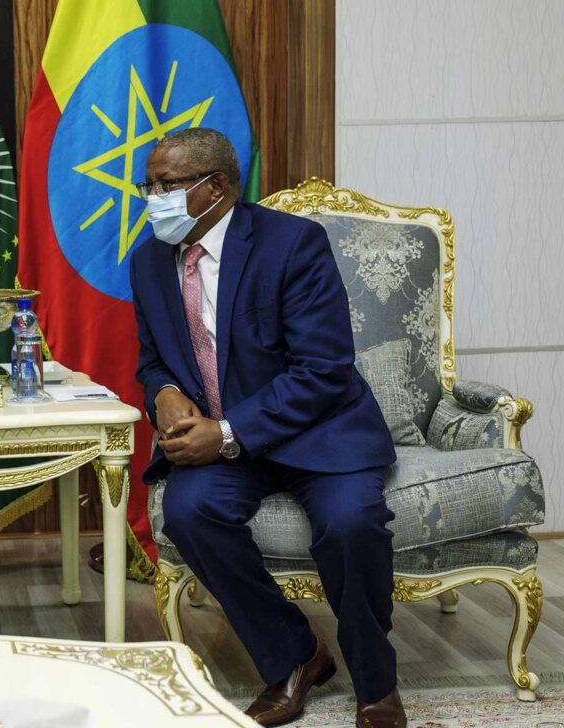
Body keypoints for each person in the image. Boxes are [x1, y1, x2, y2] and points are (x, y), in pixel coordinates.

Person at [130, 129, 406, 728]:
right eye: (148, 185)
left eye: (167, 185)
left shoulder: (293, 244)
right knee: (188, 512)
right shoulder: (150, 260)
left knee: (350, 522)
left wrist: (226, 432)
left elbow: (323, 371)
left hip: (319, 431)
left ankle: (376, 683)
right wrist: (167, 395)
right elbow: (152, 359)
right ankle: (295, 656)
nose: (153, 197)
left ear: (218, 186)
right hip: (227, 448)